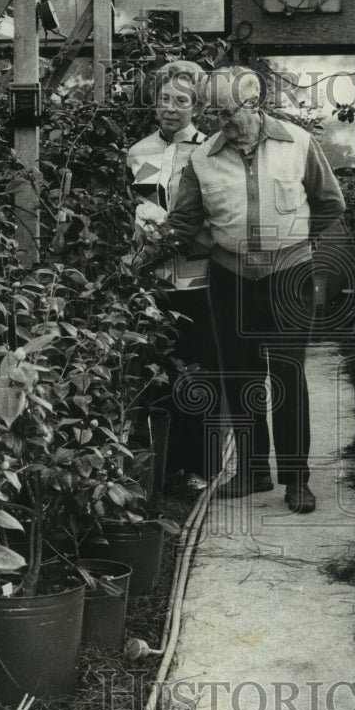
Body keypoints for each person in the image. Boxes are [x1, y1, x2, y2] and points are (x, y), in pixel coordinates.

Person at [165, 66, 346, 513]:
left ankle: (296, 479)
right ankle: (252, 471)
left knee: (287, 378)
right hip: (231, 279)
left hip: (288, 277)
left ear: (254, 104)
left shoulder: (298, 144)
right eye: (217, 113)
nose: (223, 121)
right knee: (241, 377)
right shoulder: (202, 157)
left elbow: (330, 204)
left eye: (231, 112)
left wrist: (294, 241)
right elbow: (186, 221)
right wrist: (153, 242)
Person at [125, 61, 221, 490]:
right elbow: (137, 204)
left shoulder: (211, 150)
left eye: (181, 101)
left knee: (197, 371)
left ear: (197, 105)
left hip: (200, 278)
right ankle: (161, 465)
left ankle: (201, 466)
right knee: (158, 370)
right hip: (154, 281)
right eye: (164, 99)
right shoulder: (139, 151)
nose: (170, 108)